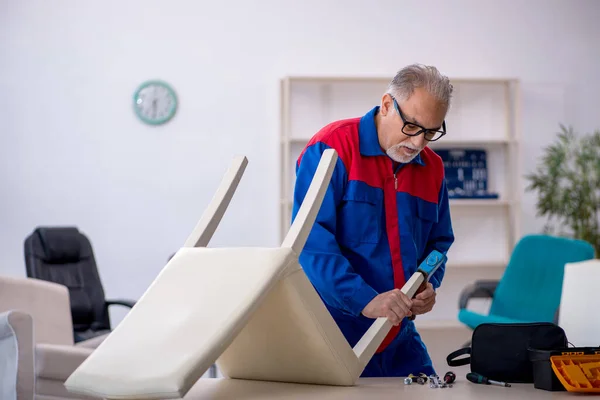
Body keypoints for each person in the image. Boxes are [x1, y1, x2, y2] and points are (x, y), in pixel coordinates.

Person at [291, 64, 455, 377]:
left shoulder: (432, 168)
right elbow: (311, 243)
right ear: (387, 104)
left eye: (431, 132)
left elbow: (439, 244)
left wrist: (427, 283)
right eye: (413, 127)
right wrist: (365, 300)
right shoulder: (331, 149)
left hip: (398, 338)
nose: (419, 143)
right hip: (333, 332)